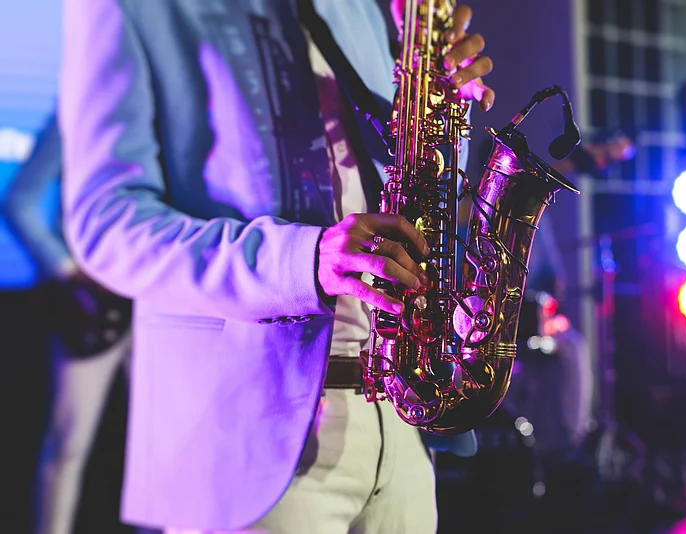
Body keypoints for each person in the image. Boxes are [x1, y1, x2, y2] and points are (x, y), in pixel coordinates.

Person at [59, 0, 494, 532]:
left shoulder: (365, 8)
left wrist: (446, 109)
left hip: (400, 415)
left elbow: (417, 188)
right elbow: (105, 224)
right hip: (245, 432)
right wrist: (301, 261)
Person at [1, 114, 134, 534]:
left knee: (162, 443)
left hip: (159, 300)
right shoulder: (75, 111)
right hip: (92, 305)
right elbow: (20, 200)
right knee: (68, 442)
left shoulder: (173, 105)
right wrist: (68, 270)